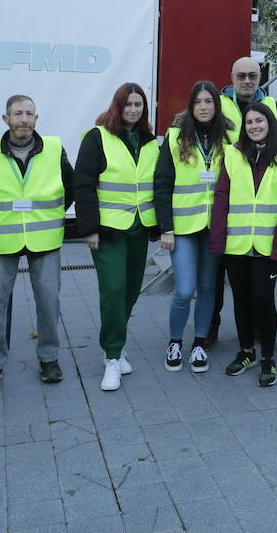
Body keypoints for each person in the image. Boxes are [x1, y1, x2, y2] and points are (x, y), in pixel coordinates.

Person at [0, 95, 74, 394]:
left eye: (29, 113)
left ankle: (49, 358)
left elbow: (70, 187)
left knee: (48, 302)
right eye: (17, 113)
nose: (23, 119)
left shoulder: (54, 148)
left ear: (36, 118)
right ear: (5, 119)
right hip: (1, 239)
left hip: (44, 239)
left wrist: (52, 215)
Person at [74, 83, 159, 392]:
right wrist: (89, 228)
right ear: (117, 106)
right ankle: (112, 357)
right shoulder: (98, 137)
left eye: (139, 104)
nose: (133, 109)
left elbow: (157, 184)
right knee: (113, 290)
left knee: (131, 292)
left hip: (140, 227)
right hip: (109, 230)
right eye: (128, 104)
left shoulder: (150, 141)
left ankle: (115, 343)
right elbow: (82, 183)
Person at [209, 103, 277, 387]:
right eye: (249, 122)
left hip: (267, 245)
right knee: (241, 299)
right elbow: (221, 197)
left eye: (260, 121)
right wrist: (218, 241)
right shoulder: (232, 154)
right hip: (236, 244)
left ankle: (268, 357)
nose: (254, 126)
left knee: (262, 298)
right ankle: (246, 351)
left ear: (270, 124)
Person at [153, 81, 227, 373]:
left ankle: (198, 343)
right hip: (182, 228)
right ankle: (174, 342)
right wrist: (165, 228)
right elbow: (161, 184)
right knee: (185, 289)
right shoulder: (174, 138)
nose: (204, 107)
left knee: (208, 287)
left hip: (215, 227)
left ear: (215, 105)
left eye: (209, 101)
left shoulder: (228, 138)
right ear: (191, 106)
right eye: (198, 102)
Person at [218, 56, 277, 144]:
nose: (247, 81)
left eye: (252, 76)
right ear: (232, 78)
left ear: (260, 77)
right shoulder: (217, 104)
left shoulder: (272, 105)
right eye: (241, 76)